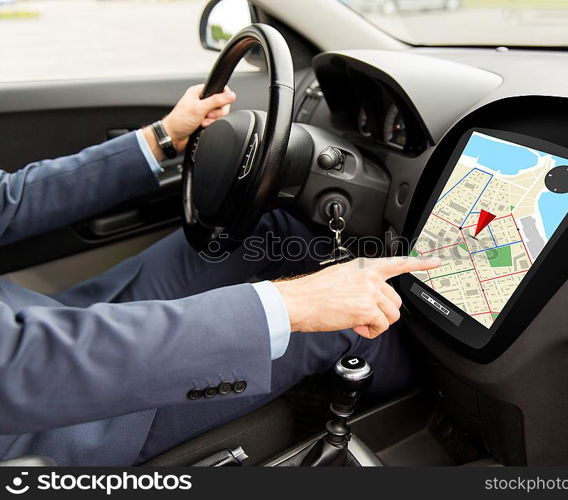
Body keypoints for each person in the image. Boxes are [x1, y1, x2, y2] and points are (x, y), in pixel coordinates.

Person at [0, 85, 440, 466]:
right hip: (49, 414)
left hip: (41, 322)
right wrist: (295, 303)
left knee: (269, 233)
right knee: (348, 324)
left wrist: (163, 137)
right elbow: (23, 364)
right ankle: (440, 411)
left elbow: (8, 201)